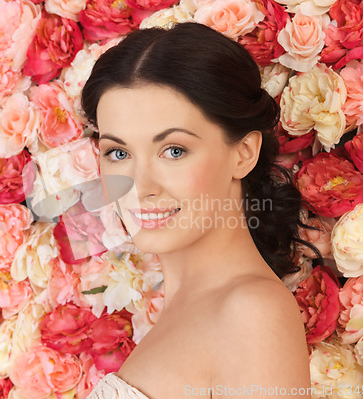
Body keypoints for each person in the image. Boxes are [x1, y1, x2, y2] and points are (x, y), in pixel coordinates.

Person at [80, 21, 323, 399]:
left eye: (174, 150)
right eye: (119, 153)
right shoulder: (190, 306)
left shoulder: (251, 312)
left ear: (243, 154)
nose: (141, 188)